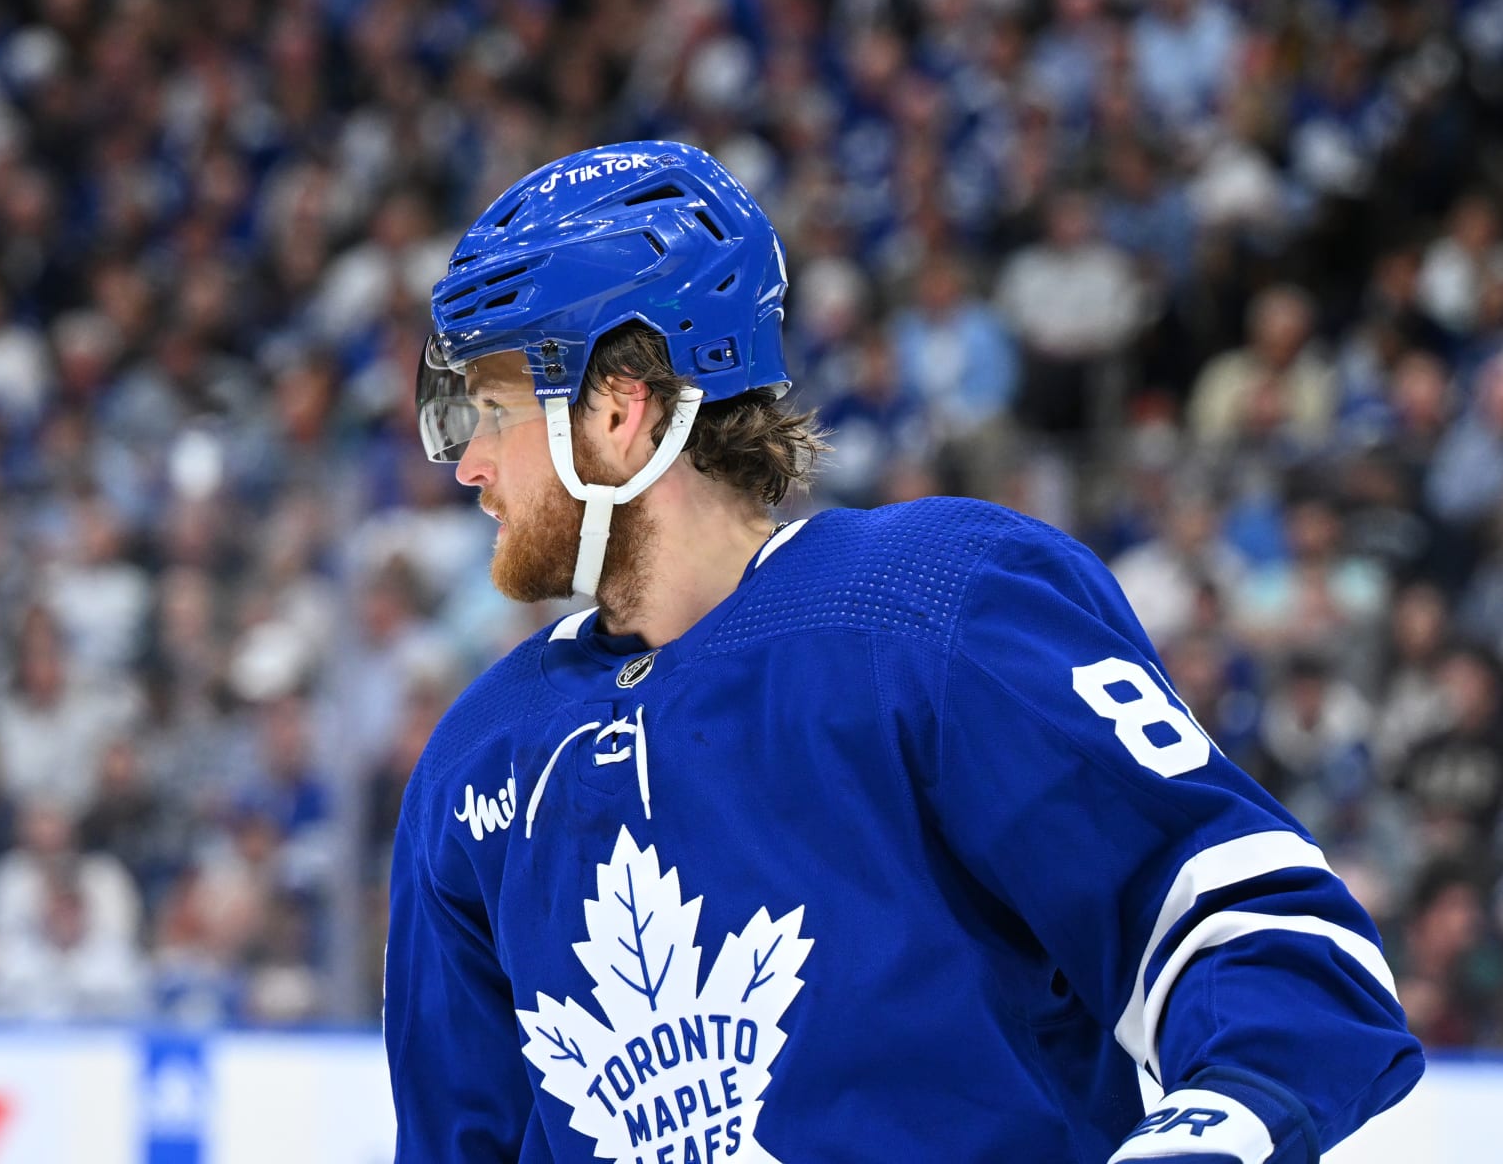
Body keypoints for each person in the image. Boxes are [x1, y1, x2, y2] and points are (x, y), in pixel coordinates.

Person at [385, 142, 1421, 1163]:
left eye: (492, 408)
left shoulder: (936, 607)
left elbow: (1267, 945)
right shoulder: (478, 760)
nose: (467, 463)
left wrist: (1214, 1130)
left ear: (621, 408)